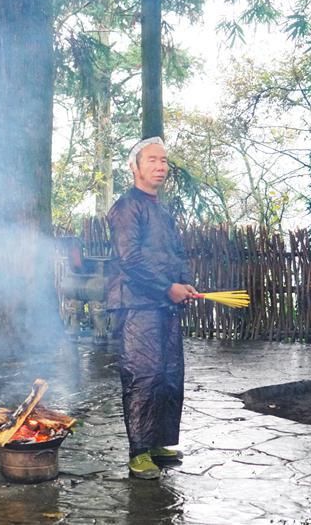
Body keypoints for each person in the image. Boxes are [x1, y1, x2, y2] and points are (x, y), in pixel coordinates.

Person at [105, 136, 197, 479]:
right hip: (136, 303)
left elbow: (175, 254)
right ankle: (138, 452)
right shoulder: (127, 207)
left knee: (169, 375)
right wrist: (165, 287)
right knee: (143, 375)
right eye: (153, 161)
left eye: (164, 161)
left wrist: (183, 283)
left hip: (164, 302)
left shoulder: (163, 211)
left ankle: (158, 441)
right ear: (135, 167)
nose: (161, 167)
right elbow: (130, 258)